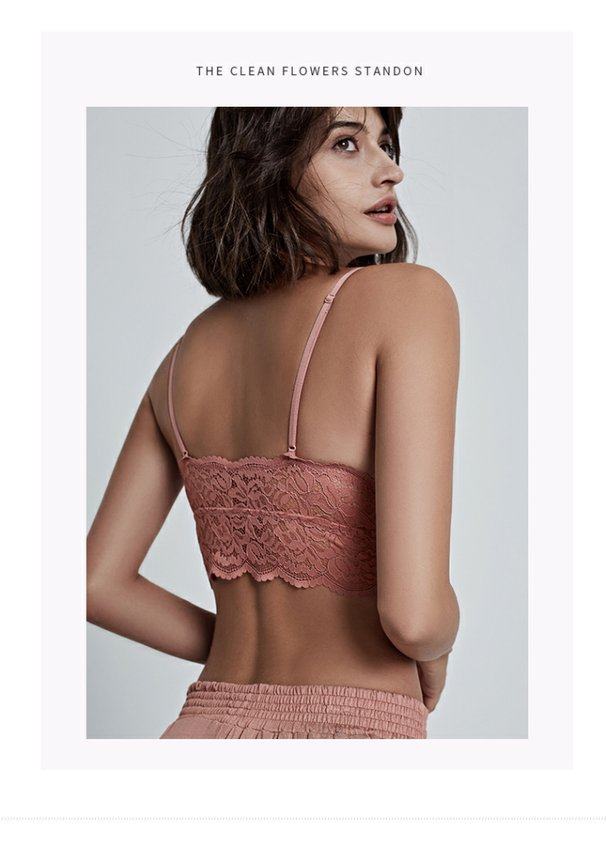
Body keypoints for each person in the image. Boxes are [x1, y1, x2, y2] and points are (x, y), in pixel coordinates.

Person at [86, 106, 461, 739]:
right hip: (348, 734)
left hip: (196, 732)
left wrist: (238, 652)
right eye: (346, 144)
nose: (390, 170)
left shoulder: (184, 356)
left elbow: (97, 584)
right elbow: (415, 618)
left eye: (386, 143)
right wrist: (436, 652)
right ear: (272, 165)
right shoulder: (408, 299)